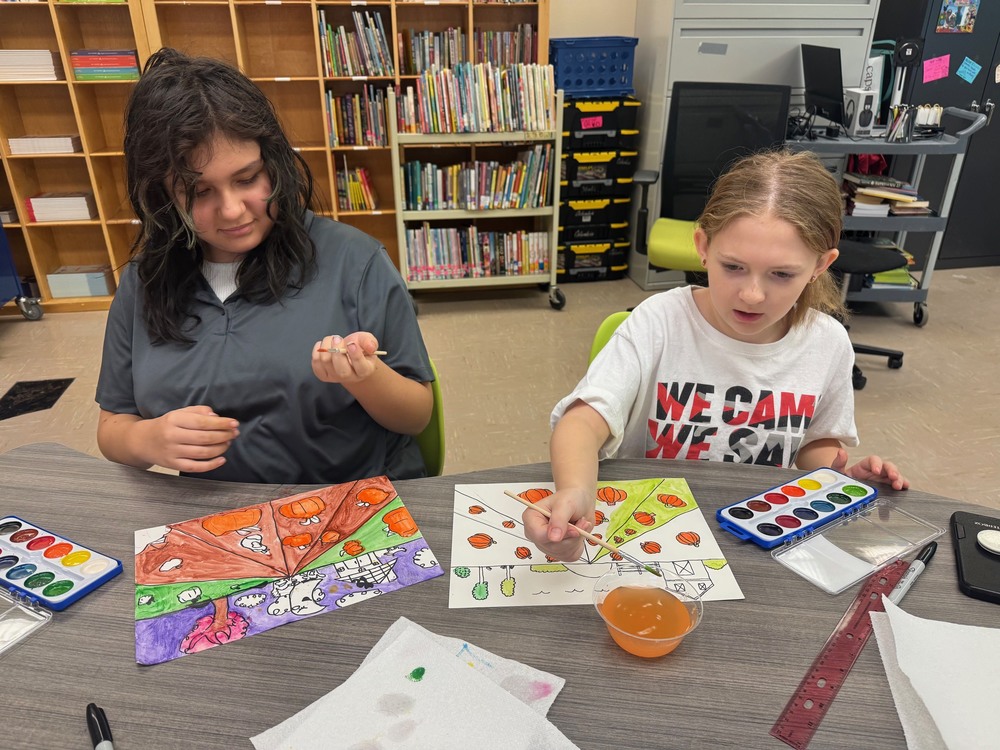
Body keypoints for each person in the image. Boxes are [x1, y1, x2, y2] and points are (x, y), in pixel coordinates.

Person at [525, 150, 909, 561]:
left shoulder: (828, 343)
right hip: (649, 530)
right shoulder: (659, 321)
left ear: (820, 264)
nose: (752, 294)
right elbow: (582, 422)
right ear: (703, 247)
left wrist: (837, 479)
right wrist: (577, 490)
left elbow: (812, 445)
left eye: (781, 274)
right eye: (733, 267)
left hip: (753, 537)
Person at [96, 48, 433, 485]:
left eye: (247, 179)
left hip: (352, 506)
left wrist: (366, 378)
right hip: (217, 519)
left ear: (273, 164)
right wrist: (147, 440)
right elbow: (112, 426)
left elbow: (416, 416)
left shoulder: (355, 260)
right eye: (199, 192)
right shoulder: (144, 281)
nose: (233, 210)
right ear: (162, 196)